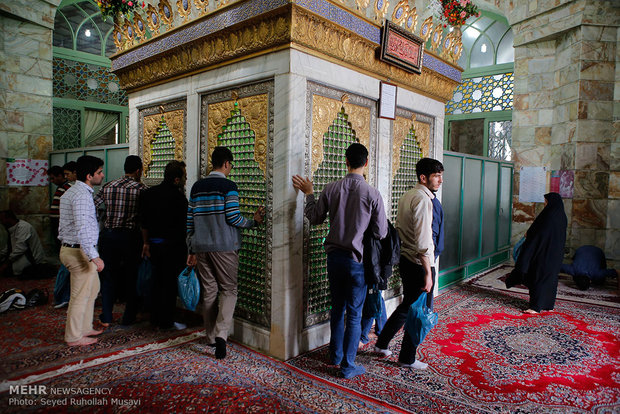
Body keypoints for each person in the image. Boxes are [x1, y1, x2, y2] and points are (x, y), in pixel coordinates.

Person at [292, 143, 387, 379]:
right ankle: (347, 364)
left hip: (334, 259)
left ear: (346, 161)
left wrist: (309, 194)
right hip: (358, 261)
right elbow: (381, 232)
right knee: (354, 313)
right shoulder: (372, 194)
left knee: (337, 308)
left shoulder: (331, 189)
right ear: (366, 163)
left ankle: (334, 355)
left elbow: (314, 218)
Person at [187, 147, 265, 359]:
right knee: (229, 290)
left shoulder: (196, 187)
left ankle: (210, 337)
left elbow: (190, 221)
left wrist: (191, 248)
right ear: (227, 164)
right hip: (224, 247)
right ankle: (222, 335)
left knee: (210, 291)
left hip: (201, 247)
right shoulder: (228, 186)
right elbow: (233, 217)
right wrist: (252, 222)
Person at [374, 157, 444, 370]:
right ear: (423, 177)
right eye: (436, 176)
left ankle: (382, 343)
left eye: (441, 176)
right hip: (419, 262)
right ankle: (407, 357)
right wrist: (428, 272)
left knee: (407, 306)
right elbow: (423, 240)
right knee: (419, 310)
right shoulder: (423, 199)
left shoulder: (408, 195)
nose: (440, 181)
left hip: (407, 259)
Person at [94, 155, 147, 327]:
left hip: (109, 236)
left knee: (108, 275)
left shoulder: (108, 186)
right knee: (131, 276)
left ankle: (107, 316)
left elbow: (93, 205)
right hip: (130, 237)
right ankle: (128, 317)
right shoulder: (141, 189)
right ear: (138, 170)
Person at [58, 155, 105, 346]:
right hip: (79, 252)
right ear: (88, 175)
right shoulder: (81, 196)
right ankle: (73, 337)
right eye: (99, 172)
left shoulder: (74, 191)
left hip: (76, 249)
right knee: (79, 295)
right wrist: (94, 256)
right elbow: (83, 227)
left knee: (92, 289)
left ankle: (85, 328)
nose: (102, 175)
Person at [139, 160, 188, 330]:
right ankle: (166, 321)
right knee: (169, 285)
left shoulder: (148, 194)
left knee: (156, 282)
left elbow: (143, 223)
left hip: (153, 245)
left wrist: (146, 243)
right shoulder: (179, 198)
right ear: (176, 179)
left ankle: (155, 318)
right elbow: (183, 227)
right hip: (172, 249)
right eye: (184, 177)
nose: (185, 180)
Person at [506, 192, 567, 313]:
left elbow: (540, 233)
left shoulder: (549, 216)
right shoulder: (561, 216)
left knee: (538, 277)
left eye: (546, 202)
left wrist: (530, 235)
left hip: (543, 254)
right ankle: (548, 305)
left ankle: (535, 307)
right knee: (550, 279)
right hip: (555, 255)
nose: (545, 204)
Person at [0, 210, 49, 278]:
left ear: (9, 218)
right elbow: (8, 247)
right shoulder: (12, 229)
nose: (1, 222)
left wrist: (5, 265)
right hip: (19, 257)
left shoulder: (23, 227)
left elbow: (20, 249)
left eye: (2, 220)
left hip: (31, 261)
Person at [48, 165, 73, 247]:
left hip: (61, 221)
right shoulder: (60, 187)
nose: (52, 181)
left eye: (53, 178)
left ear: (59, 176)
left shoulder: (68, 187)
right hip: (56, 221)